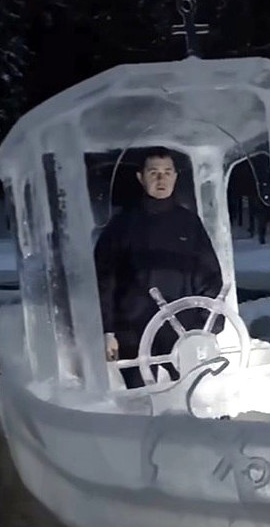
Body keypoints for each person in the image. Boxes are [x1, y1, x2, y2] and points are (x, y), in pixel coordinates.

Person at [94, 148, 225, 389]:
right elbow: (104, 280)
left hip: (183, 327)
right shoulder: (121, 225)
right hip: (133, 330)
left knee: (194, 391)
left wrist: (212, 322)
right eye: (153, 172)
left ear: (175, 176)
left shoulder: (189, 222)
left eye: (167, 172)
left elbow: (209, 274)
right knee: (142, 397)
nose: (161, 179)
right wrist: (107, 331)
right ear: (140, 177)